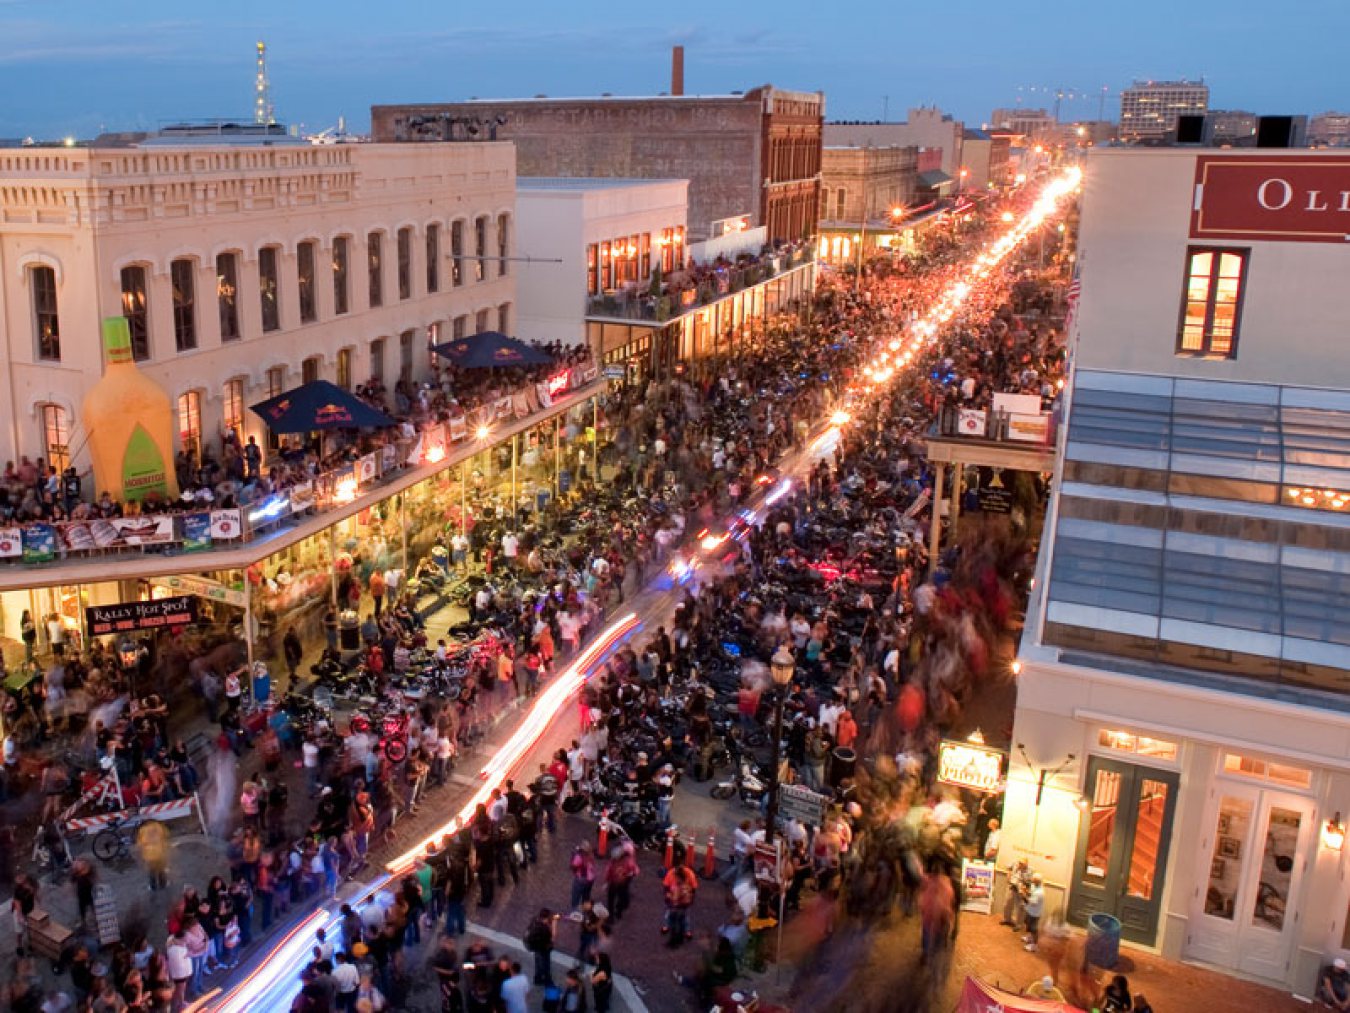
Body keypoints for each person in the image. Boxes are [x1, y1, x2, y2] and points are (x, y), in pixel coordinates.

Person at [661, 859, 698, 946]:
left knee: (677, 919)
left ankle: (677, 936)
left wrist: (670, 900)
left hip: (677, 906)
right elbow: (666, 886)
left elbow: (692, 890)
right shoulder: (674, 875)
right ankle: (681, 932)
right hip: (680, 905)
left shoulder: (682, 882)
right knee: (682, 918)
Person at [525, 908, 557, 987]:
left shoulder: (535, 920)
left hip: (536, 947)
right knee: (545, 965)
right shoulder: (544, 930)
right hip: (543, 949)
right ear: (545, 918)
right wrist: (554, 926)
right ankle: (547, 981)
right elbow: (552, 939)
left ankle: (537, 979)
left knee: (538, 963)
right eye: (549, 917)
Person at [1002, 857, 1031, 930]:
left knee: (1020, 908)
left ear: (1026, 865)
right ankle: (1007, 919)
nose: (1019, 865)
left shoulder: (1030, 871)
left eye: (1022, 864)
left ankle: (1019, 924)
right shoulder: (1015, 864)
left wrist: (1022, 881)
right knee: (1007, 903)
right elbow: (1008, 867)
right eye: (1019, 863)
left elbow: (1029, 882)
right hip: (1012, 886)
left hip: (1021, 889)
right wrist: (1008, 875)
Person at [1023, 873, 1045, 952]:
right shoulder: (1036, 887)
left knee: (1033, 929)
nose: (1032, 881)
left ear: (1037, 881)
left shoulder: (1039, 892)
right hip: (1030, 911)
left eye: (1033, 880)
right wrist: (1026, 892)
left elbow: (1032, 902)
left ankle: (1034, 945)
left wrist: (1024, 895)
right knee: (1028, 925)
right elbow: (1032, 894)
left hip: (1034, 913)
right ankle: (1030, 938)